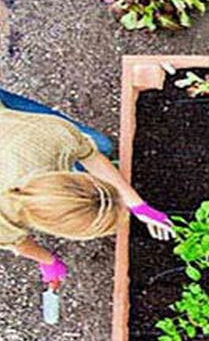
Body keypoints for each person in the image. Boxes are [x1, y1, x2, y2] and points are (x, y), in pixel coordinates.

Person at [0, 88, 173, 288]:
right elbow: (16, 242)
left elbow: (91, 155)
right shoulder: (3, 224)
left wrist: (137, 205)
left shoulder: (49, 136)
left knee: (102, 145)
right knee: (100, 145)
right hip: (12, 143)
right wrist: (47, 261)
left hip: (15, 134)